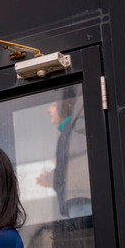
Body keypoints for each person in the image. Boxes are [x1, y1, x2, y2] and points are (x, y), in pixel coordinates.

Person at [36, 89, 92, 218]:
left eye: (54, 105)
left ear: (65, 106)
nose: (48, 110)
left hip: (80, 200)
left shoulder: (73, 131)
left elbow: (75, 166)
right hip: (80, 199)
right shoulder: (71, 130)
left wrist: (49, 178)